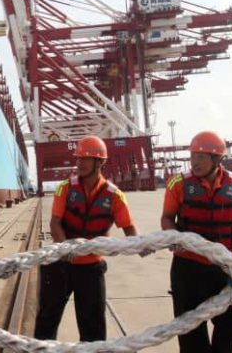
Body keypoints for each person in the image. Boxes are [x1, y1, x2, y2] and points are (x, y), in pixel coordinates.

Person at [161, 131, 232, 353]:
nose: (195, 162)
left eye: (201, 157)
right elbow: (167, 217)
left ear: (217, 159)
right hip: (188, 268)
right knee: (190, 332)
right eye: (193, 156)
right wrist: (173, 237)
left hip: (223, 265)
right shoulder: (179, 184)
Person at [34, 135, 139, 342]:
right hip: (60, 264)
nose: (79, 163)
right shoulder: (66, 188)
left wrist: (140, 245)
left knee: (93, 329)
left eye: (85, 158)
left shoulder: (114, 195)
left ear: (99, 162)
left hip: (91, 269)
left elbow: (129, 228)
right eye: (78, 158)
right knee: (46, 321)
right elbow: (55, 223)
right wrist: (66, 248)